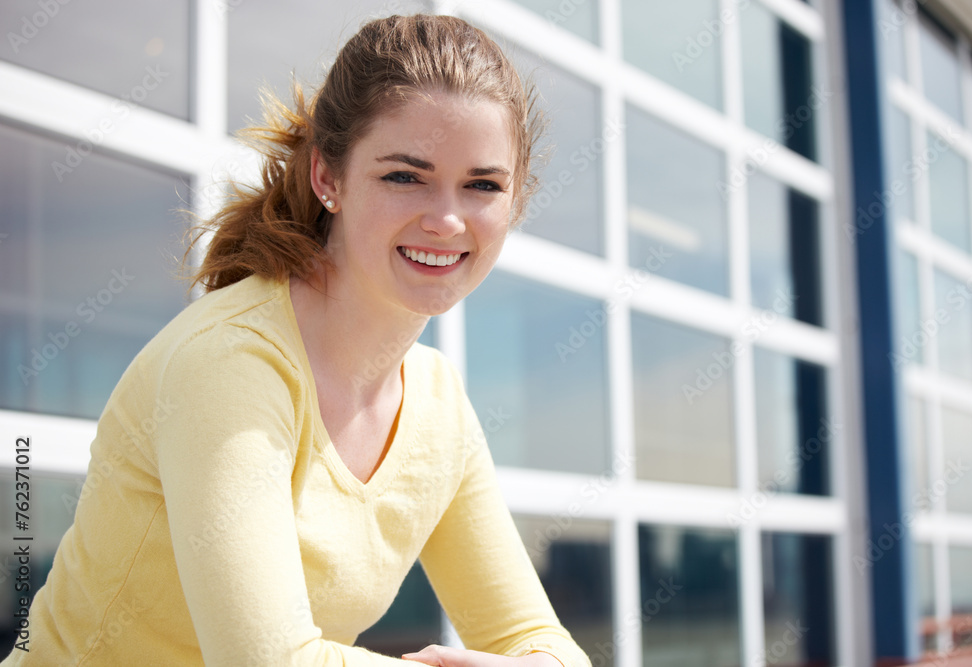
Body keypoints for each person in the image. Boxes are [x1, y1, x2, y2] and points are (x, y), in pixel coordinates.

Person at [0, 13, 590, 667]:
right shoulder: (231, 361)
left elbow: (542, 644)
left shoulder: (437, 400)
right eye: (404, 175)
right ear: (327, 178)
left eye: (483, 184)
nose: (447, 218)